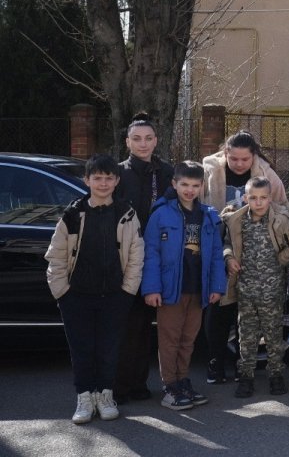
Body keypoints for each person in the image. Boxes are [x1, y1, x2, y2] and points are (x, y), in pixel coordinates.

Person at [46, 154, 145, 424]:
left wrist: (127, 292)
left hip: (114, 295)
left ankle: (105, 395)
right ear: (87, 180)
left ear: (116, 181)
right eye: (97, 178)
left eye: (108, 178)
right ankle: (85, 397)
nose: (103, 183)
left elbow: (136, 256)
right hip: (76, 296)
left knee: (109, 349)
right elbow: (55, 256)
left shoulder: (126, 214)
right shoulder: (72, 215)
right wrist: (62, 292)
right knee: (82, 349)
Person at [201, 130, 286, 385]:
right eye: (233, 158)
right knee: (218, 308)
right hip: (218, 247)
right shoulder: (210, 172)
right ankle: (215, 362)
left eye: (244, 160)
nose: (238, 164)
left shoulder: (267, 174)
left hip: (253, 252)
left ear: (254, 157)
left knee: (244, 311)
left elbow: (282, 205)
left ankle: (243, 365)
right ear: (225, 153)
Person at [142, 161, 227, 411]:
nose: (189, 190)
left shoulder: (208, 216)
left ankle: (183, 380)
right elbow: (151, 253)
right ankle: (170, 385)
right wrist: (151, 288)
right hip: (170, 290)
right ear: (174, 184)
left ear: (202, 186)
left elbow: (214, 255)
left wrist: (216, 286)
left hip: (197, 288)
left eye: (195, 185)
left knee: (188, 338)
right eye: (184, 185)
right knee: (170, 338)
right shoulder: (161, 214)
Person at [113, 116, 175, 405]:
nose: (143, 144)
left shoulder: (166, 173)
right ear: (127, 142)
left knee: (149, 324)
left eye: (148, 138)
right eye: (136, 139)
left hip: (160, 257)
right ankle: (121, 385)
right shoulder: (118, 174)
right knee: (128, 325)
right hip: (126, 258)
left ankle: (141, 383)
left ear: (156, 140)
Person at [223, 177, 289, 399]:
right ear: (245, 198)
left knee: (274, 335)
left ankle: (276, 375)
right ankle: (246, 377)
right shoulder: (238, 221)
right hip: (246, 290)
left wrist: (283, 261)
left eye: (263, 197)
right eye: (253, 198)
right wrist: (228, 258)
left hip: (272, 290)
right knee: (246, 335)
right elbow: (227, 243)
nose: (259, 202)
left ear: (270, 198)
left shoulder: (280, 220)